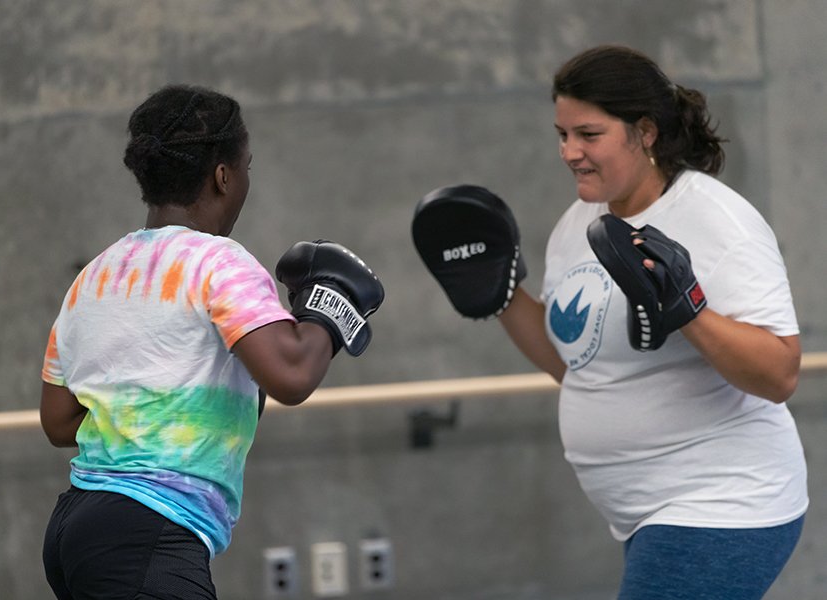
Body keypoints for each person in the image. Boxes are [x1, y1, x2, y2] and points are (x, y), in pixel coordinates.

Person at [413, 45, 806, 599]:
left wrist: (687, 309)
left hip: (723, 501)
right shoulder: (579, 223)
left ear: (644, 133)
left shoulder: (717, 221)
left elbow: (780, 374)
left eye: (588, 135)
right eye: (562, 134)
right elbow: (573, 361)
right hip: (643, 513)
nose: (569, 152)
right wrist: (499, 294)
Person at [40, 84, 383, 600]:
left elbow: (59, 421)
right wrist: (329, 308)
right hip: (148, 533)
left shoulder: (95, 275)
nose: (246, 179)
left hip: (76, 528)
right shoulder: (219, 262)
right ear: (223, 176)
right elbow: (291, 375)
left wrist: (173, 405)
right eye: (247, 166)